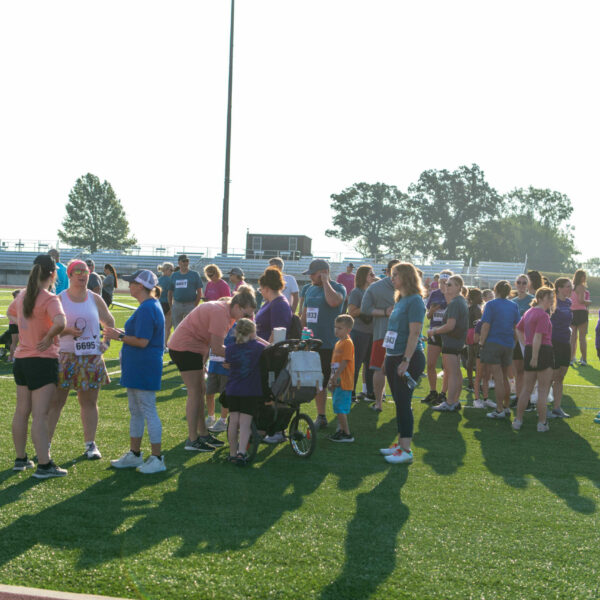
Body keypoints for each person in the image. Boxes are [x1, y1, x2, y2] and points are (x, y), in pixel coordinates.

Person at [168, 286, 257, 451]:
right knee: (195, 393)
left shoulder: (227, 311)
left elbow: (210, 342)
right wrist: (243, 357)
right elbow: (217, 348)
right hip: (185, 348)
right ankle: (192, 439)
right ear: (238, 307)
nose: (248, 319)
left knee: (200, 391)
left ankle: (202, 433)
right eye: (246, 315)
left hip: (193, 349)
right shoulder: (220, 313)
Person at [47, 260, 115, 460]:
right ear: (69, 275)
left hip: (91, 356)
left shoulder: (94, 298)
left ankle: (90, 444)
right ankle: (45, 444)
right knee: (55, 402)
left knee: (89, 402)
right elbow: (49, 330)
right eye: (77, 272)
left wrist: (106, 343)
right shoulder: (59, 299)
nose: (82, 275)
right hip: (64, 356)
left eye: (85, 271)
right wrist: (67, 330)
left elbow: (109, 321)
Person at [8, 255, 67, 478]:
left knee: (22, 412)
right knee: (40, 415)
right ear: (53, 273)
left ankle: (21, 459)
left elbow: (11, 313)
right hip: (42, 360)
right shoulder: (49, 298)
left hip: (22, 361)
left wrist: (27, 330)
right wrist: (48, 336)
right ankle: (44, 464)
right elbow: (61, 322)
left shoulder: (23, 295)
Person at [105, 270, 167, 473]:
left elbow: (142, 341)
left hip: (143, 365)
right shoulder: (149, 305)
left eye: (132, 283)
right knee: (136, 411)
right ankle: (135, 454)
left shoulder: (148, 307)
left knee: (147, 409)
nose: (129, 285)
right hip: (138, 365)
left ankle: (157, 458)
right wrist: (120, 334)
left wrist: (118, 336)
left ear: (140, 286)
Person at [380, 263, 426, 464]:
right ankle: (400, 445)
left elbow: (415, 333)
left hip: (408, 358)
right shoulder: (400, 299)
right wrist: (387, 358)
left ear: (407, 277)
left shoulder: (415, 300)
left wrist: (406, 360)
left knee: (404, 403)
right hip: (394, 356)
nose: (392, 278)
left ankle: (406, 450)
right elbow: (392, 332)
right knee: (399, 403)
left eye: (395, 275)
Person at [301, 259, 346, 428]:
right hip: (313, 345)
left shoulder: (338, 288)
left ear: (324, 272)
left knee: (335, 383)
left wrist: (326, 281)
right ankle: (321, 416)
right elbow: (304, 316)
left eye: (313, 274)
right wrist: (302, 337)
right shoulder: (310, 289)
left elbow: (334, 302)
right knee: (318, 382)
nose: (310, 277)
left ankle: (341, 422)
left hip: (332, 344)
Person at [225, 318, 268, 465]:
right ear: (252, 333)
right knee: (245, 423)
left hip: (232, 389)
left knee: (233, 421)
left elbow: (229, 363)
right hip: (250, 390)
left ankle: (232, 453)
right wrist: (257, 338)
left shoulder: (229, 349)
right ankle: (241, 453)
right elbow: (271, 347)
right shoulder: (257, 347)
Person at [513, 287, 555, 432]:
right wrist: (535, 356)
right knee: (543, 390)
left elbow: (518, 329)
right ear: (541, 298)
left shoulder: (529, 312)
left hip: (532, 350)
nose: (552, 301)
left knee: (526, 389)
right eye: (549, 298)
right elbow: (538, 336)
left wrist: (526, 345)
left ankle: (518, 420)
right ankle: (542, 423)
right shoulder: (543, 315)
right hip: (542, 351)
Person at [360, 259, 399, 412]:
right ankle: (380, 402)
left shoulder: (408, 287)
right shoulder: (376, 287)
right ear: (388, 271)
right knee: (380, 368)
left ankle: (385, 403)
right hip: (386, 334)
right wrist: (384, 312)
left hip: (394, 335)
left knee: (385, 368)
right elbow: (365, 309)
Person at [479, 280, 520, 419]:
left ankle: (499, 409)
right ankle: (506, 407)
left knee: (498, 379)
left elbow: (486, 325)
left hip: (493, 343)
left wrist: (481, 342)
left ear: (495, 290)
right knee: (504, 377)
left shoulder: (491, 304)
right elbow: (516, 327)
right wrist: (513, 342)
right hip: (507, 343)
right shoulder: (513, 305)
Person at [430, 275, 469, 412]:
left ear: (458, 287)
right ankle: (455, 401)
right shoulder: (460, 301)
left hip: (451, 342)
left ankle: (450, 402)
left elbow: (450, 326)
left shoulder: (455, 303)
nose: (446, 286)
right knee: (456, 373)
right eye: (446, 284)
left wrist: (434, 331)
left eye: (450, 284)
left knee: (452, 373)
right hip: (457, 342)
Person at [346, 265, 376, 401]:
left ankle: (370, 392)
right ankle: (351, 392)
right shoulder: (356, 292)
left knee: (371, 365)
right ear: (363, 276)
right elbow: (351, 312)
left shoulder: (372, 292)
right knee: (356, 364)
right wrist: (366, 307)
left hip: (372, 332)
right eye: (371, 274)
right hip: (359, 332)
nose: (373, 276)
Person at [423, 270, 452, 405]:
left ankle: (443, 393)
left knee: (446, 367)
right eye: (441, 282)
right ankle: (433, 391)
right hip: (434, 332)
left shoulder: (453, 296)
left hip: (447, 333)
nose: (443, 284)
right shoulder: (434, 294)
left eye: (445, 282)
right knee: (430, 364)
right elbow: (429, 316)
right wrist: (433, 310)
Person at [327, 315, 355, 442]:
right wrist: (331, 378)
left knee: (340, 407)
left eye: (340, 328)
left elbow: (345, 361)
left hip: (343, 381)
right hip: (337, 380)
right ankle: (341, 430)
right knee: (338, 406)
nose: (336, 330)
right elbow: (334, 364)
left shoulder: (348, 343)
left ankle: (347, 434)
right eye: (335, 327)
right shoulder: (338, 343)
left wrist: (336, 376)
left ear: (348, 330)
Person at [549, 277, 573, 418]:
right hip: (553, 342)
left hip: (565, 342)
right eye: (567, 286)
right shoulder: (552, 301)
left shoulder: (569, 302)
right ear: (559, 288)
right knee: (551, 376)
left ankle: (557, 408)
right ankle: (543, 406)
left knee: (560, 376)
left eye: (570, 286)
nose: (570, 289)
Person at [511, 274, 534, 401]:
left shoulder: (533, 300)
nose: (521, 285)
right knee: (518, 371)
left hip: (528, 340)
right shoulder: (512, 302)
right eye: (519, 282)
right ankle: (519, 396)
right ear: (515, 284)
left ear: (528, 285)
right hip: (515, 340)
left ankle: (528, 398)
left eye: (524, 283)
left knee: (528, 372)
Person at [168, 254, 203, 329]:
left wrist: (195, 305)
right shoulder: (174, 275)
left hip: (190, 304)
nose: (185, 263)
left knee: (191, 327)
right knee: (177, 328)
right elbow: (170, 292)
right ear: (179, 263)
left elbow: (199, 291)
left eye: (187, 261)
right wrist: (171, 306)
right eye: (183, 261)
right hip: (177, 305)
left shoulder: (195, 274)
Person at [570, 269, 590, 365]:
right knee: (582, 338)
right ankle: (584, 359)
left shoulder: (571, 287)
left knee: (572, 338)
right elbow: (581, 301)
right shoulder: (581, 287)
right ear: (581, 277)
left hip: (572, 313)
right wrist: (589, 302)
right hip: (581, 313)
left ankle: (571, 358)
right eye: (584, 276)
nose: (585, 278)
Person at [465, 288, 483, 393]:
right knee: (478, 359)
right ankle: (477, 384)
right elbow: (478, 323)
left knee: (470, 359)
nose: (481, 298)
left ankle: (470, 383)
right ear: (474, 298)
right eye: (479, 296)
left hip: (468, 332)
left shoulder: (469, 308)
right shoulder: (476, 309)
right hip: (475, 333)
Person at [157, 262, 174, 348]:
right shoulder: (171, 280)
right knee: (167, 327)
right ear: (166, 270)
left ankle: (159, 343)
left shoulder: (158, 280)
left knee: (159, 326)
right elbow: (172, 294)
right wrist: (171, 306)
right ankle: (164, 344)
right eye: (171, 270)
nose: (172, 272)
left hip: (159, 304)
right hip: (168, 304)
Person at [7, 289, 20, 362]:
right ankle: (11, 357)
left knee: (18, 342)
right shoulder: (14, 304)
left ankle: (12, 357)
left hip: (19, 324)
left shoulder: (21, 303)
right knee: (14, 342)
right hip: (14, 325)